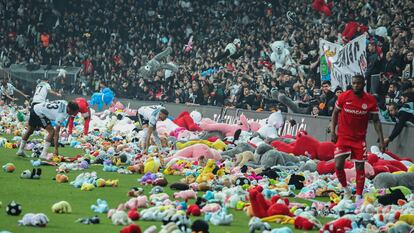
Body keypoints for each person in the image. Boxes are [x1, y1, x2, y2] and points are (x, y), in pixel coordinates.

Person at [330, 74, 385, 203]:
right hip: (343, 137)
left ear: (363, 84)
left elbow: (376, 121)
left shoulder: (370, 100)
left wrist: (381, 139)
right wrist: (333, 131)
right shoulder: (344, 96)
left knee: (360, 167)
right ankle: (346, 190)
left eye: (358, 83)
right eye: (354, 83)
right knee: (338, 166)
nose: (355, 85)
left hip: (359, 139)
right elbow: (335, 113)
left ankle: (359, 196)